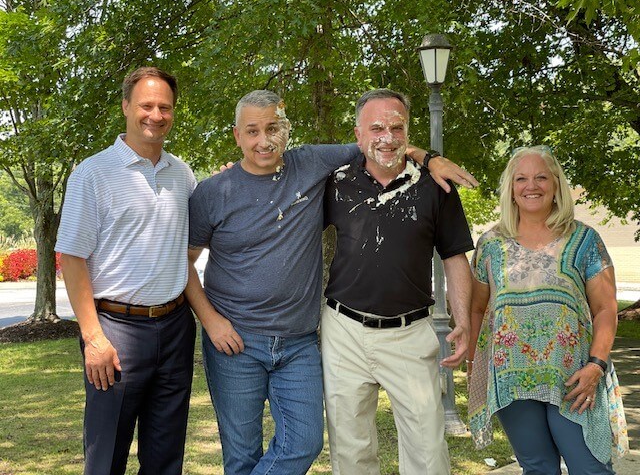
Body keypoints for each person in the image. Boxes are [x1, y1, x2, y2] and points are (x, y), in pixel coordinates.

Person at [185, 89, 477, 475]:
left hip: (348, 336)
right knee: (287, 453)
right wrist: (211, 320)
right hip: (288, 335)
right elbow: (190, 259)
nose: (263, 140)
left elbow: (384, 146)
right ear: (237, 136)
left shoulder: (328, 168)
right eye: (252, 131)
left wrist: (430, 157)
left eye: (272, 128)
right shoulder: (228, 190)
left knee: (333, 445)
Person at [321, 88, 474, 475]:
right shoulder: (334, 182)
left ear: (408, 132)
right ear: (357, 135)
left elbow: (455, 258)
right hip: (344, 330)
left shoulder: (435, 186)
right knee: (350, 451)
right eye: (376, 127)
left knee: (427, 450)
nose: (386, 137)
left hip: (410, 332)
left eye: (396, 126)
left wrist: (464, 322)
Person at [56, 67, 197, 475]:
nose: (155, 114)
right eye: (146, 105)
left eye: (164, 107)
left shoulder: (183, 175)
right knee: (106, 456)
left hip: (174, 328)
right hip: (114, 331)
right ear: (126, 107)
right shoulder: (92, 174)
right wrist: (93, 337)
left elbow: (193, 241)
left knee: (165, 456)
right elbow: (72, 258)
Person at [467, 146, 629, 474]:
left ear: (556, 185)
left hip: (574, 378)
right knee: (538, 468)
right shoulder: (491, 244)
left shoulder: (584, 239)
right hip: (511, 379)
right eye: (521, 178)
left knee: (590, 468)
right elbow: (476, 309)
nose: (532, 185)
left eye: (541, 177)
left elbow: (605, 308)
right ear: (511, 189)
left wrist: (596, 365)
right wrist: (474, 365)